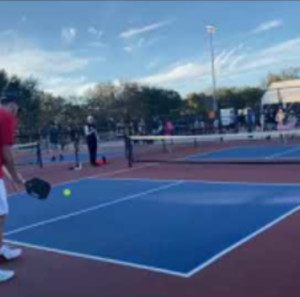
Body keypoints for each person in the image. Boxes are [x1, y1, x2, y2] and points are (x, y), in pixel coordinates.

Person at [0, 91, 24, 282]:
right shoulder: (6, 117)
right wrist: (16, 176)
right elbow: (6, 151)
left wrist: (9, 176)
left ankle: (1, 250)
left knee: (1, 213)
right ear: (13, 106)